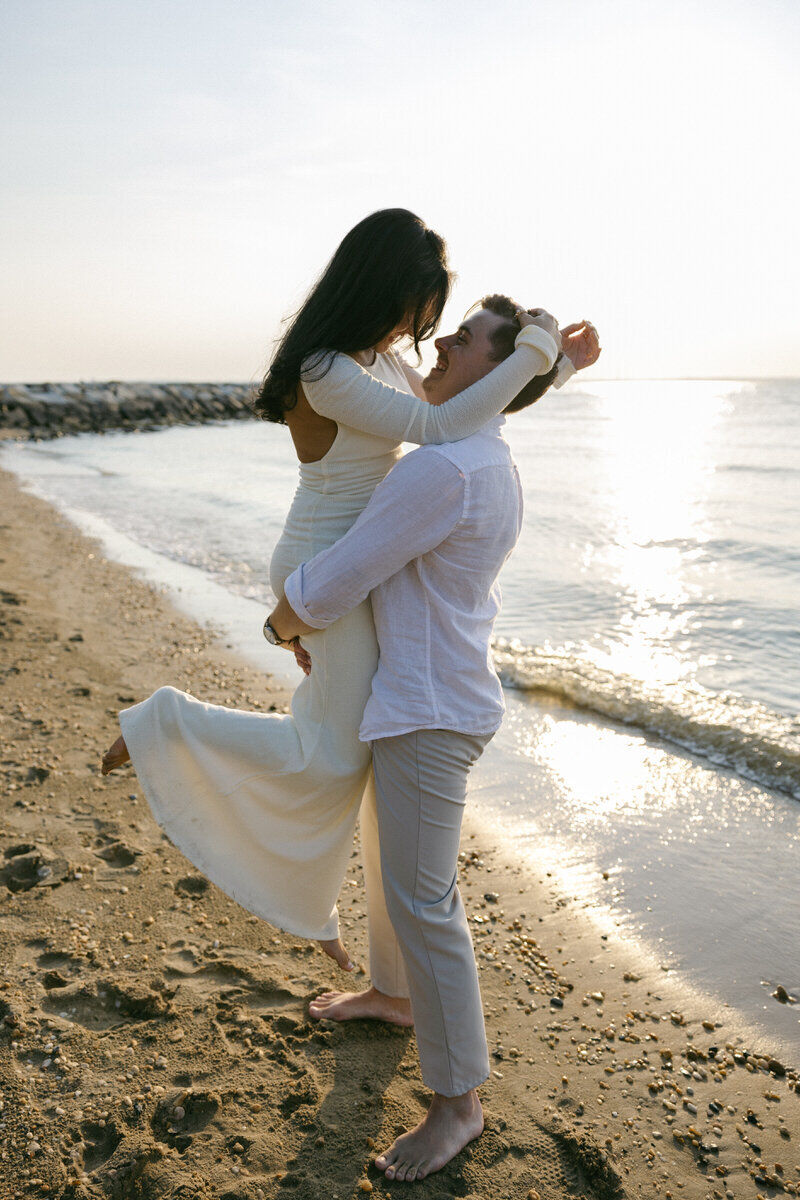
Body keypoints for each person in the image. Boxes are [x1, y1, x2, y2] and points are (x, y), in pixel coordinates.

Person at [101, 209, 564, 974]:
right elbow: (442, 428)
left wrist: (556, 365)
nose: (428, 325)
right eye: (425, 303)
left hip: (357, 568)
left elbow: (477, 404)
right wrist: (537, 350)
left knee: (342, 752)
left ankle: (321, 912)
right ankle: (167, 724)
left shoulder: (378, 361)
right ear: (388, 285)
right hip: (325, 566)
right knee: (332, 758)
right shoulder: (325, 368)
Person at [265, 294, 601, 1182]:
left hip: (428, 709)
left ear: (493, 373)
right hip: (423, 696)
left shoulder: (443, 471)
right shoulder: (478, 452)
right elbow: (468, 403)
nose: (439, 343)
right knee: (390, 864)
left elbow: (343, 574)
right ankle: (390, 993)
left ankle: (459, 1104)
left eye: (463, 339)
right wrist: (553, 367)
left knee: (425, 902)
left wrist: (285, 619)